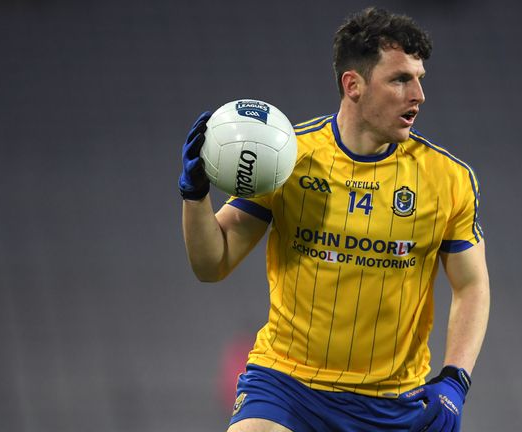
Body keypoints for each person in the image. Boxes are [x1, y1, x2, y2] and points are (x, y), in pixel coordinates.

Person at [179, 7, 489, 432]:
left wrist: (455, 379)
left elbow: (471, 285)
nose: (418, 94)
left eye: (419, 78)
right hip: (288, 385)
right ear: (353, 85)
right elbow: (211, 263)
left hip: (392, 402)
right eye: (400, 79)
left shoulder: (448, 179)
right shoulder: (286, 159)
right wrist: (195, 194)